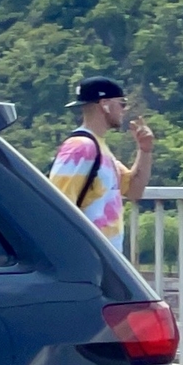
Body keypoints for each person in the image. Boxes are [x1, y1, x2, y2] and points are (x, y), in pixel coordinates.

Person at [49, 74, 153, 251]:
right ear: (105, 105)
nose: (124, 109)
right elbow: (56, 205)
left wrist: (145, 150)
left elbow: (134, 190)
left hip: (104, 257)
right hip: (86, 257)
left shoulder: (99, 147)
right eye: (122, 103)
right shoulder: (80, 147)